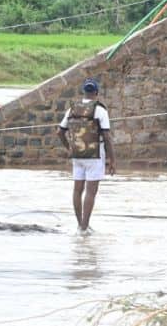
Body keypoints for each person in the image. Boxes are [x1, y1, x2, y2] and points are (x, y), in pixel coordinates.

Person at [57, 78, 117, 235]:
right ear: (96, 93)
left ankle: (80, 226)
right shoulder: (100, 110)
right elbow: (107, 137)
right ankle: (84, 228)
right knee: (91, 192)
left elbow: (60, 132)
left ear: (84, 92)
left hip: (77, 155)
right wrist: (112, 160)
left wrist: (69, 147)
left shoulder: (72, 109)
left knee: (77, 190)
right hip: (95, 155)